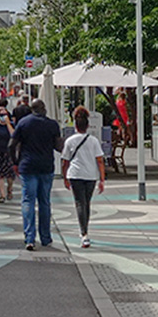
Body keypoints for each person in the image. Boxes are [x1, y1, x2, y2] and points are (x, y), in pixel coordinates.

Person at [9, 99, 63, 251]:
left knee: (28, 201)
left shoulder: (23, 123)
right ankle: (45, 237)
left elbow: (11, 145)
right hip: (46, 167)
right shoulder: (52, 124)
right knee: (44, 202)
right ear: (44, 109)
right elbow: (59, 146)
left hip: (27, 166)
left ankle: (29, 238)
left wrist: (15, 162)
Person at [61, 106, 105, 248]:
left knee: (80, 203)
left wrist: (65, 177)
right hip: (90, 175)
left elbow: (65, 161)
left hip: (75, 174)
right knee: (86, 203)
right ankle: (84, 231)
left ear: (75, 125)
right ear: (87, 126)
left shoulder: (70, 141)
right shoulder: (93, 141)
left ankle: (84, 233)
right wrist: (102, 179)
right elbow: (100, 160)